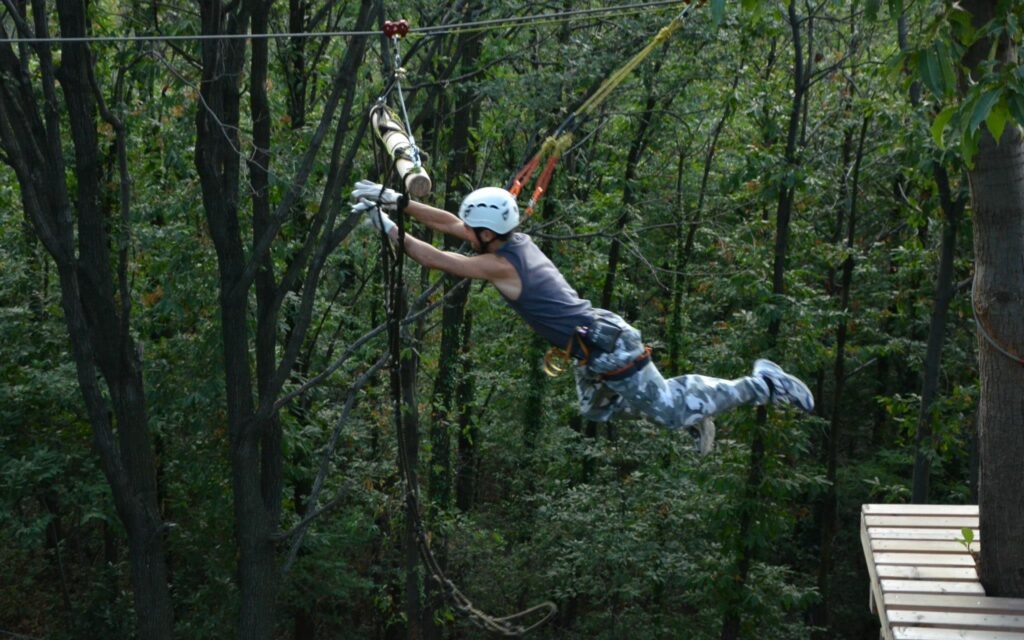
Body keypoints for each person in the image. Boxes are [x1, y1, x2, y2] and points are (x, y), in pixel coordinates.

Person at [351, 181, 814, 454]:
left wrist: (390, 228)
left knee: (669, 411)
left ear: (489, 233)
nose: (466, 232)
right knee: (594, 408)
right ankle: (690, 407)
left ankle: (761, 384)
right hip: (591, 346)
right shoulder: (511, 241)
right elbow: (453, 224)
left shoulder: (502, 265)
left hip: (609, 346)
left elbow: (437, 258)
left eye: (475, 229)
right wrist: (399, 201)